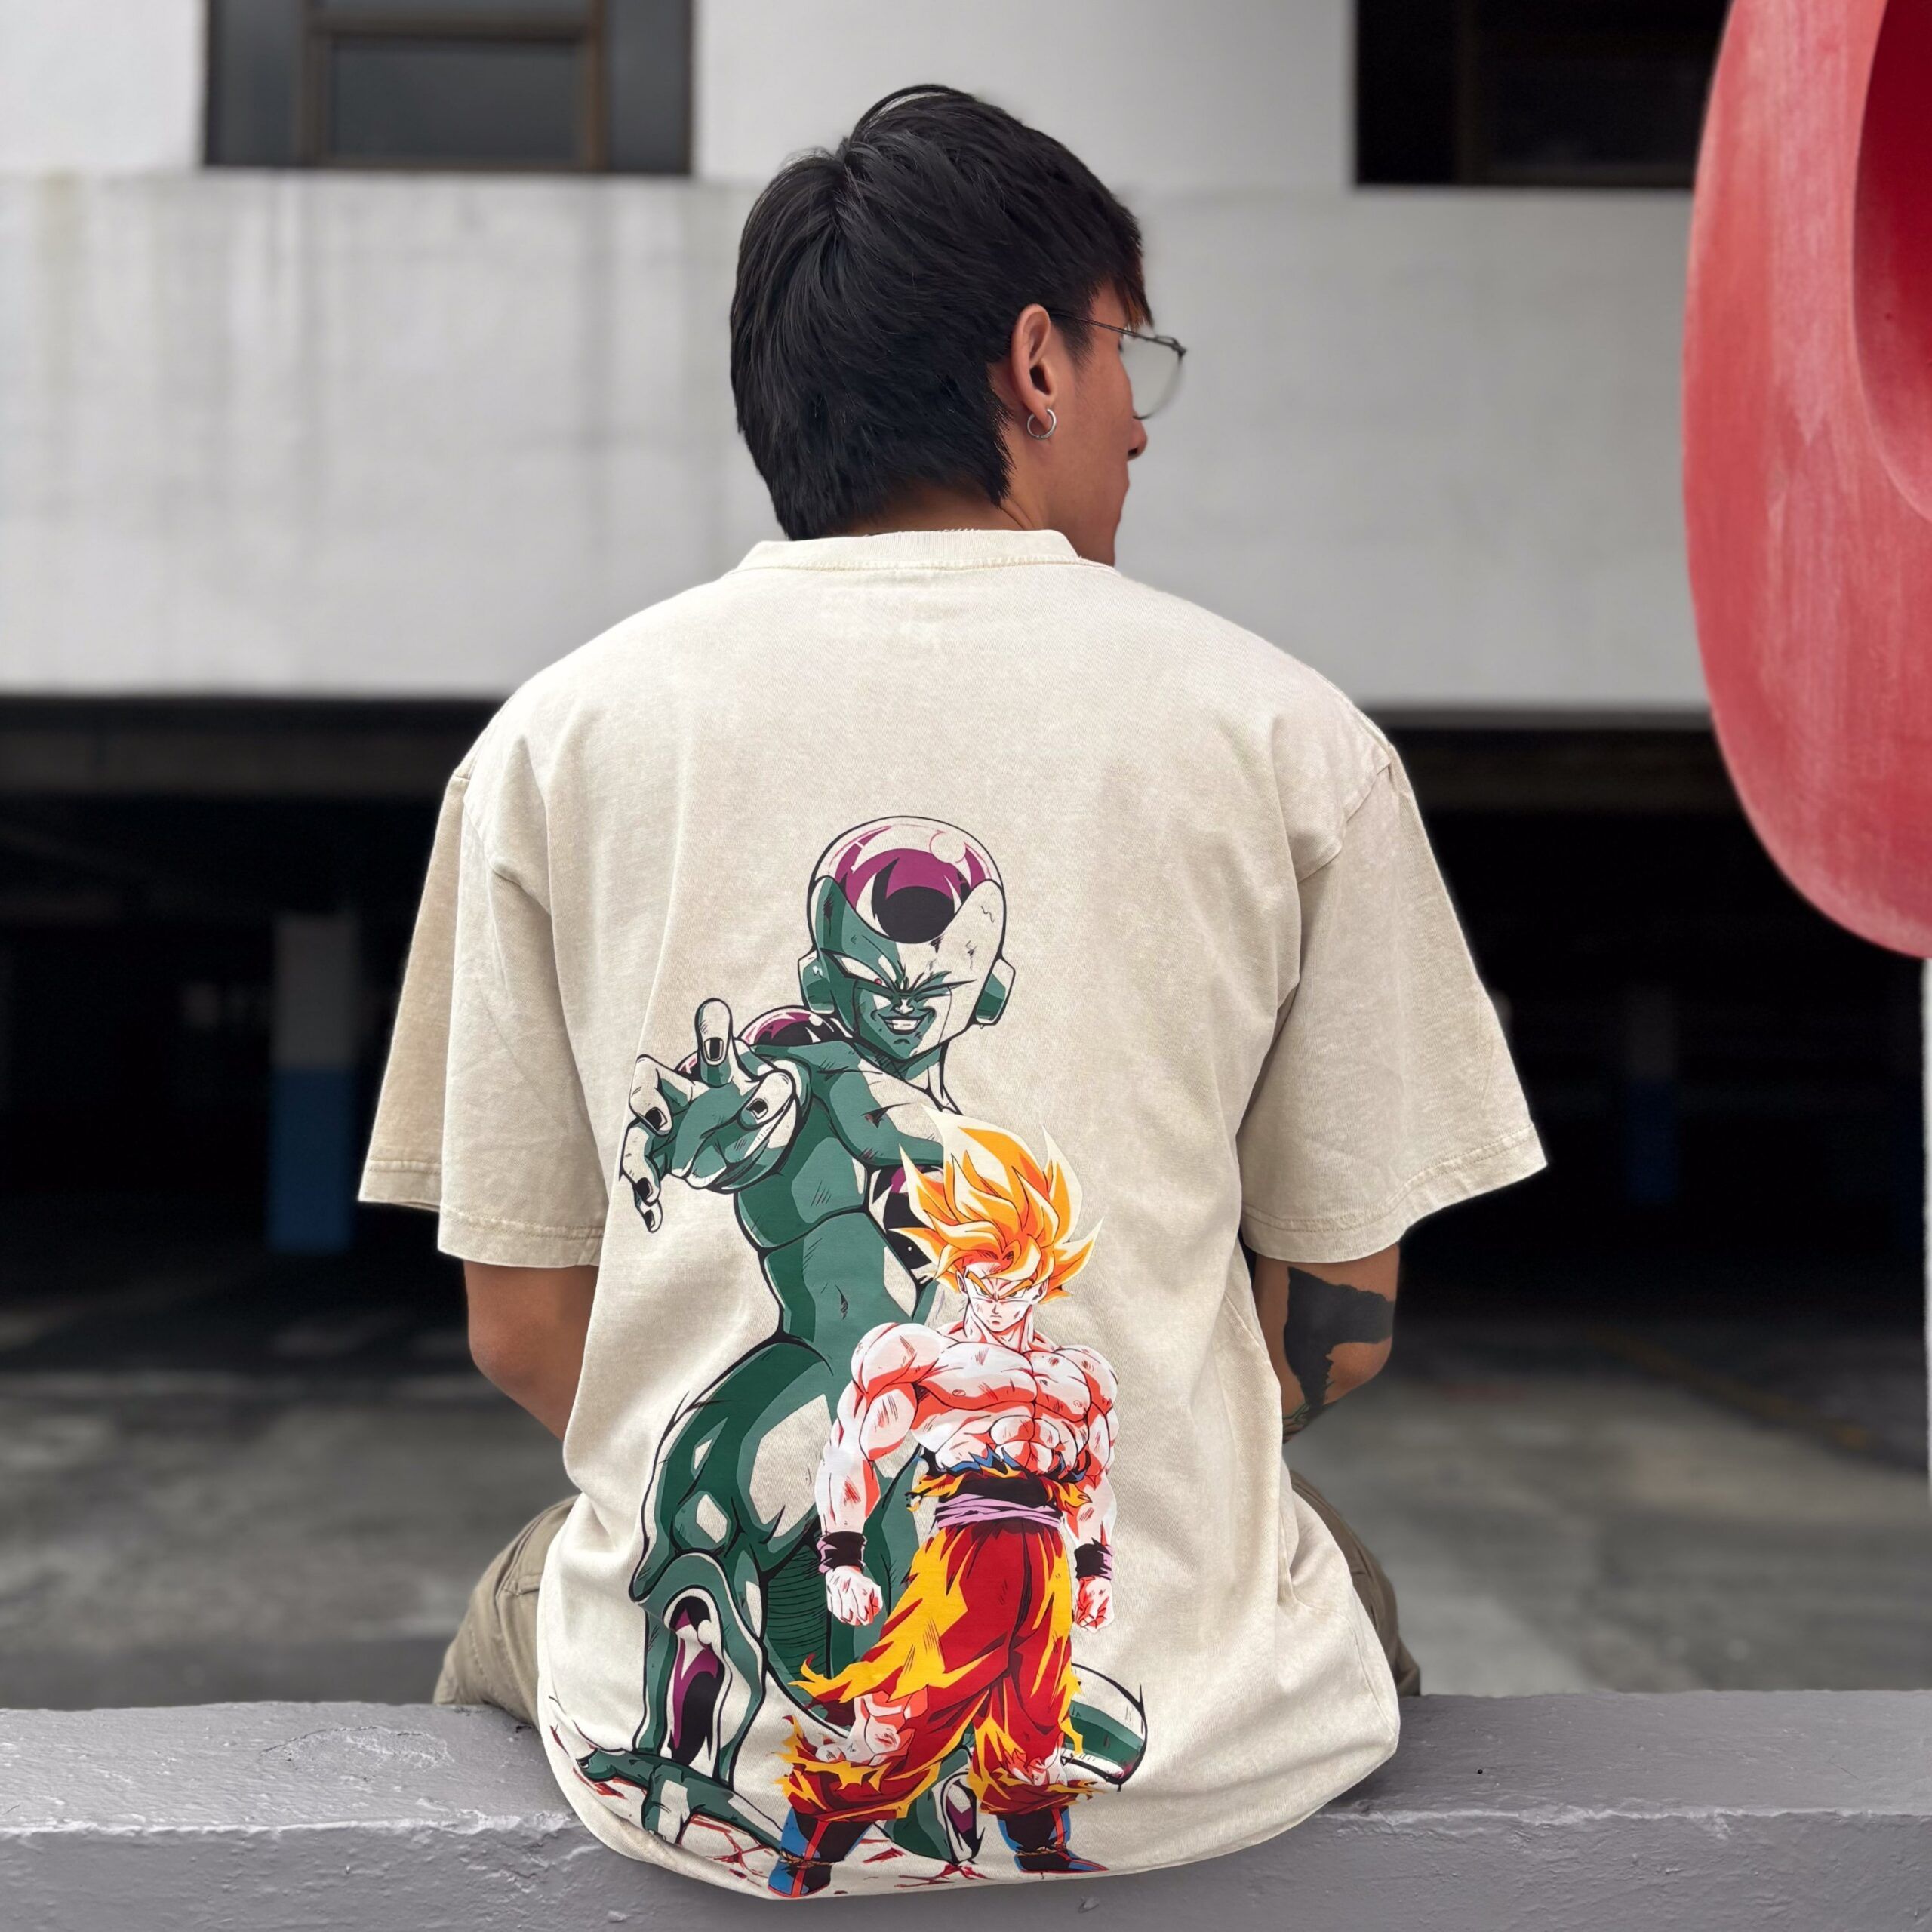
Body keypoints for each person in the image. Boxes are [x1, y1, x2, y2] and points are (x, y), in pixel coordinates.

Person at [359, 84, 1544, 1900]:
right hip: (1185, 1716)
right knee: (1339, 1597)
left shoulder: (552, 745)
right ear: (1037, 363)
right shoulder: (1290, 739)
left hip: (736, 1685)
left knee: (523, 1616)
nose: (1137, 422)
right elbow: (1340, 1325)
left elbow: (525, 1332)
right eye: (1127, 351)